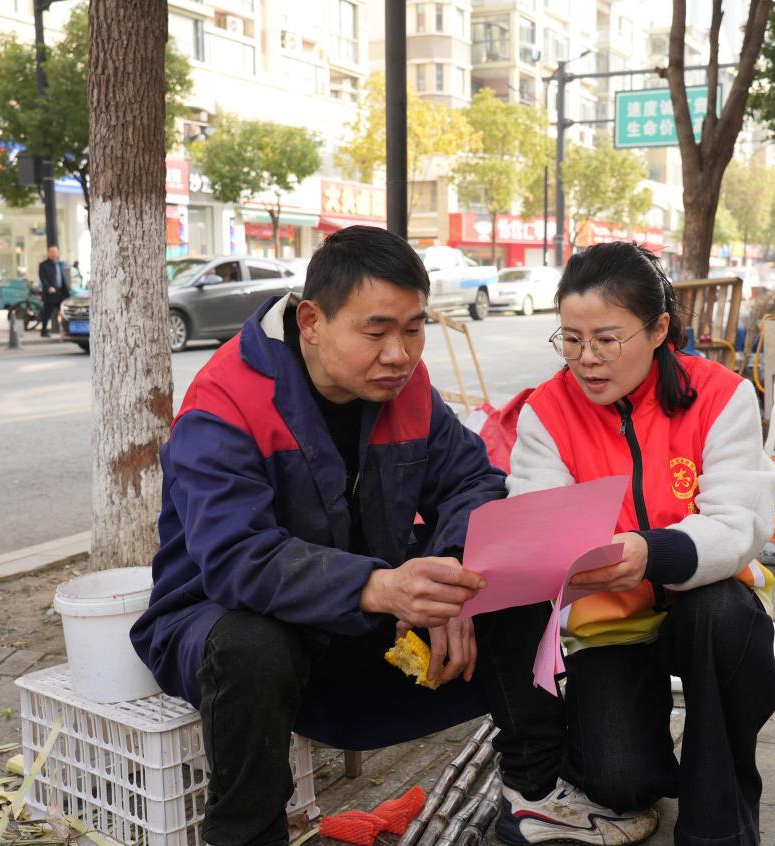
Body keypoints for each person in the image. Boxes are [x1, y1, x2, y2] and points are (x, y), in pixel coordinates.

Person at [132, 226, 553, 846]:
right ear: (311, 320)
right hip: (219, 622)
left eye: (413, 328)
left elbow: (473, 481)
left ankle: (534, 802)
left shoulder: (406, 387)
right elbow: (234, 558)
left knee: (517, 589)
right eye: (376, 330)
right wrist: (381, 586)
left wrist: (450, 576)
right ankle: (247, 833)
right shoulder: (226, 401)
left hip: (365, 617)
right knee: (252, 644)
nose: (399, 354)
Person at [492, 242, 775, 846]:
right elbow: (538, 517)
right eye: (570, 339)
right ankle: (639, 753)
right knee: (618, 780)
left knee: (723, 617)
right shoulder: (546, 413)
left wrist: (652, 552)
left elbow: (739, 523)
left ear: (658, 330)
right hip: (610, 621)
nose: (586, 360)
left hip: (703, 601)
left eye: (606, 338)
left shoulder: (722, 395)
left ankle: (719, 819)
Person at [38, 246, 69, 337]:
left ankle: (66, 331)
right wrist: (48, 287)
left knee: (64, 313)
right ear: (48, 253)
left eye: (55, 252)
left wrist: (66, 292)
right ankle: (44, 331)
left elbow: (62, 279)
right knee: (46, 313)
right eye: (51, 252)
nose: (53, 253)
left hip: (60, 293)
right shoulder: (43, 265)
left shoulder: (60, 264)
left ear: (58, 253)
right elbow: (43, 278)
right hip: (50, 293)